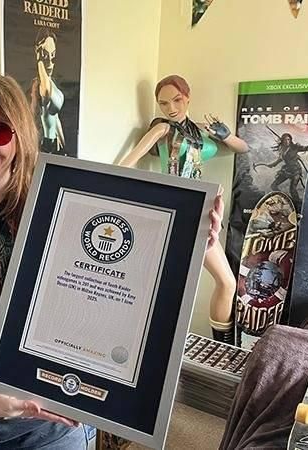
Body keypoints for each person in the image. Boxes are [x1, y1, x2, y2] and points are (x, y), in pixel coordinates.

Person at [0, 72, 226, 449]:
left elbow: (122, 273)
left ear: (20, 135)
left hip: (50, 429)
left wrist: (189, 236)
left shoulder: (64, 203)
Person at [118, 74, 247, 344]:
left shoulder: (201, 130)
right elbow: (125, 165)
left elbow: (242, 148)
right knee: (168, 287)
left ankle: (220, 348)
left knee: (227, 283)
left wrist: (226, 135)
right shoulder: (162, 130)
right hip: (176, 208)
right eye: (164, 103)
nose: (171, 108)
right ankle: (155, 345)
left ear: (188, 98)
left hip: (203, 210)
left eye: (177, 100)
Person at [29, 28, 65, 155]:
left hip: (55, 143)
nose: (50, 62)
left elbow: (55, 117)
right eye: (45, 55)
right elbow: (46, 92)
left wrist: (63, 143)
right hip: (46, 145)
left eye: (52, 55)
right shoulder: (40, 84)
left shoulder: (51, 83)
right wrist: (39, 61)